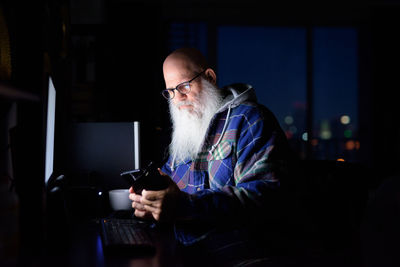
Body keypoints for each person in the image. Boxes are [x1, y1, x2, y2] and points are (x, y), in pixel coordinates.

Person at [129, 47, 293, 264]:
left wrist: (185, 206)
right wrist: (151, 205)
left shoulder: (250, 120)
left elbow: (264, 196)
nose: (178, 99)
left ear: (209, 77)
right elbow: (169, 191)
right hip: (185, 254)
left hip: (240, 257)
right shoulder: (186, 132)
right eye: (170, 92)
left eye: (184, 86)